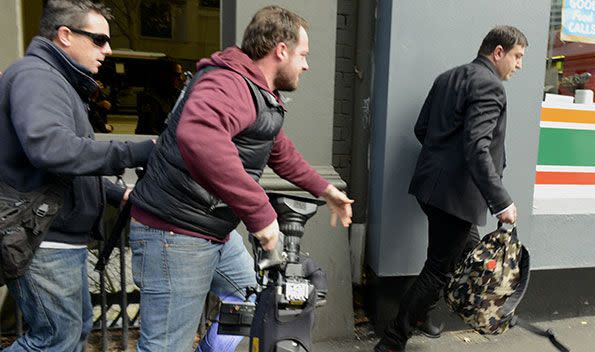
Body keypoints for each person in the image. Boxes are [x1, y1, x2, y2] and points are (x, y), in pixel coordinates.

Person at [127, 5, 354, 352]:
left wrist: (326, 191)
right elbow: (199, 137)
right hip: (175, 234)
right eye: (303, 55)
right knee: (164, 347)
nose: (306, 65)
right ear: (281, 50)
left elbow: (281, 153)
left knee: (248, 301)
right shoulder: (227, 82)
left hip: (212, 231)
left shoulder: (257, 94)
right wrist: (260, 213)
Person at [0, 1, 155, 351]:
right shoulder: (37, 77)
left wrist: (117, 194)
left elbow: (65, 165)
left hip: (54, 236)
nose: (108, 50)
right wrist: (135, 151)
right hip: (45, 238)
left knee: (71, 334)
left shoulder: (55, 81)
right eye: (99, 39)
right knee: (55, 339)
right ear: (65, 35)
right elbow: (51, 148)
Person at [374, 26, 528, 352]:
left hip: (431, 189)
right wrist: (500, 200)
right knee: (438, 270)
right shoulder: (490, 87)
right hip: (456, 197)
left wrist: (442, 161)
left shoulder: (448, 77)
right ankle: (392, 340)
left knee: (467, 252)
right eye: (517, 56)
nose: (519, 65)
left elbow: (422, 129)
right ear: (498, 52)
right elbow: (477, 146)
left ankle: (421, 316)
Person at [135, 59, 184, 135]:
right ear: (165, 75)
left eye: (181, 75)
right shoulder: (150, 99)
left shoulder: (176, 96)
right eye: (176, 75)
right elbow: (150, 131)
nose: (181, 78)